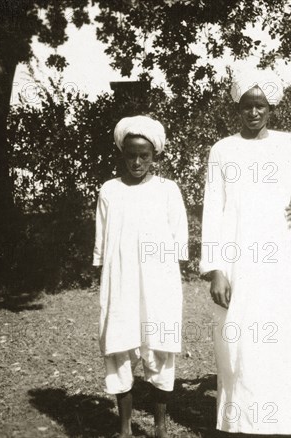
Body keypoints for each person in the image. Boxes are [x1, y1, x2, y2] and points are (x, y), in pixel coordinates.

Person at [200, 69, 291, 435]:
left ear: (271, 107)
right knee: (237, 337)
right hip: (235, 255)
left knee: (280, 334)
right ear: (237, 108)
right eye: (247, 106)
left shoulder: (289, 144)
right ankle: (243, 421)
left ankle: (284, 420)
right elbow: (213, 207)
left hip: (277, 254)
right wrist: (216, 269)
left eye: (260, 105)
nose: (254, 112)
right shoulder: (222, 149)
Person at [93, 115, 188, 438]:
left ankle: (160, 425)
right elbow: (103, 240)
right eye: (131, 155)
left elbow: (178, 239)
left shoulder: (168, 190)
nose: (137, 161)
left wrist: (169, 276)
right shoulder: (109, 190)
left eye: (144, 156)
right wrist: (105, 273)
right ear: (122, 153)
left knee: (160, 346)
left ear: (154, 156)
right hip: (120, 280)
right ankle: (125, 427)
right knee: (119, 345)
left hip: (159, 281)